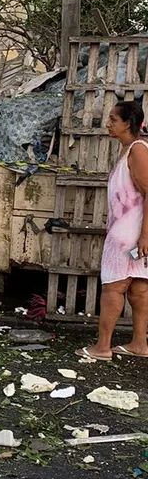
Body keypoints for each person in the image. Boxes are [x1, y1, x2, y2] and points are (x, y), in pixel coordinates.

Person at [80, 99, 148, 360]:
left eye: (113, 120)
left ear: (128, 124)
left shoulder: (138, 151)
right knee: (139, 288)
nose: (108, 124)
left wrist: (144, 235)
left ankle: (102, 347)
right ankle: (139, 344)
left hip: (128, 237)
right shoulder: (130, 149)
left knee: (113, 288)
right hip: (134, 235)